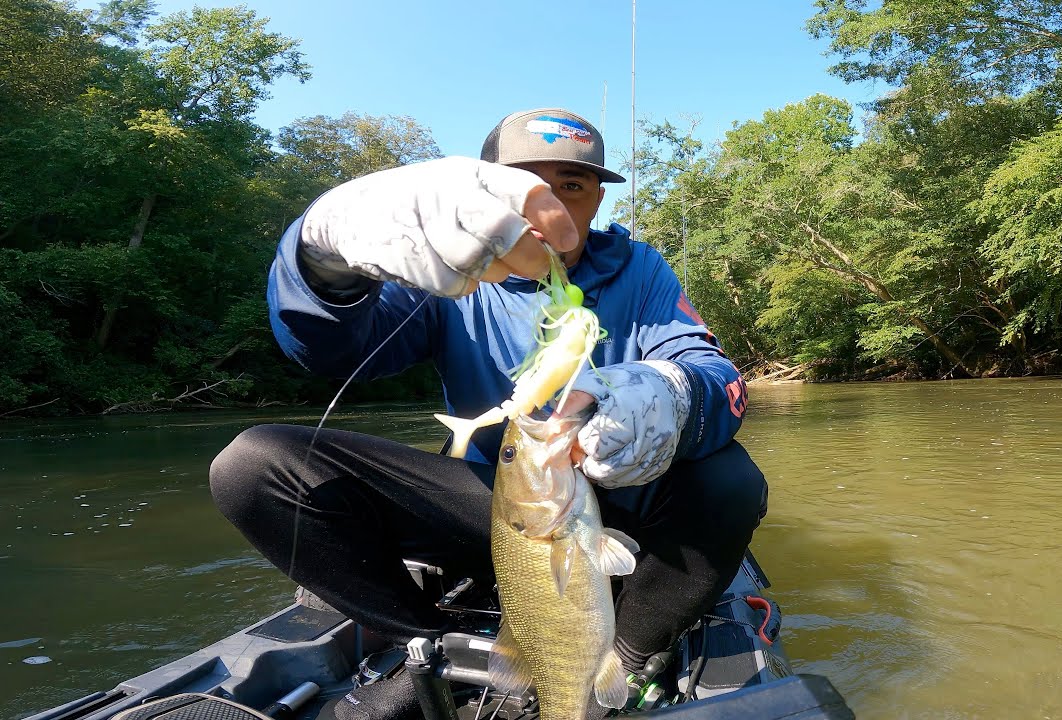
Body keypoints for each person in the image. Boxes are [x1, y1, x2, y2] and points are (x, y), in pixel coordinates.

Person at [209, 108, 767, 718]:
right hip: (505, 513)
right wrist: (323, 260)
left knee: (730, 481)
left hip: (630, 504)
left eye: (572, 186)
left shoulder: (643, 270)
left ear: (598, 199)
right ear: (480, 192)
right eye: (523, 185)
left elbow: (714, 375)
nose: (549, 206)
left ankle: (624, 662)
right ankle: (422, 648)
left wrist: (659, 395)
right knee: (253, 465)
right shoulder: (446, 277)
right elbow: (330, 352)